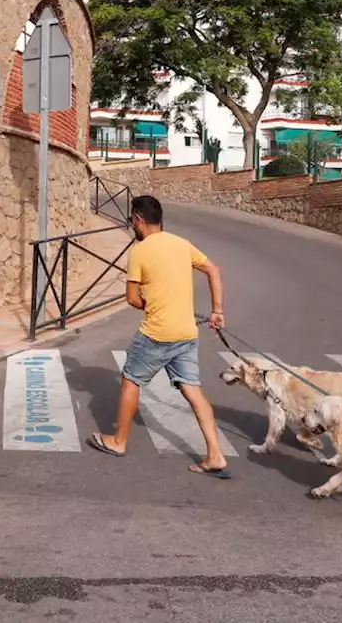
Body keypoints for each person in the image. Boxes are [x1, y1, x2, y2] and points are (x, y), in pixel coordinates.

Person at [87, 194, 231, 478]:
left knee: (131, 379)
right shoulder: (182, 244)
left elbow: (131, 298)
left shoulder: (139, 252)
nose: (132, 225)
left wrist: (149, 303)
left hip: (157, 333)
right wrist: (217, 310)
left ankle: (118, 441)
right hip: (187, 332)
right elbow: (213, 270)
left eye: (131, 220)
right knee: (192, 390)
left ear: (138, 219)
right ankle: (215, 454)